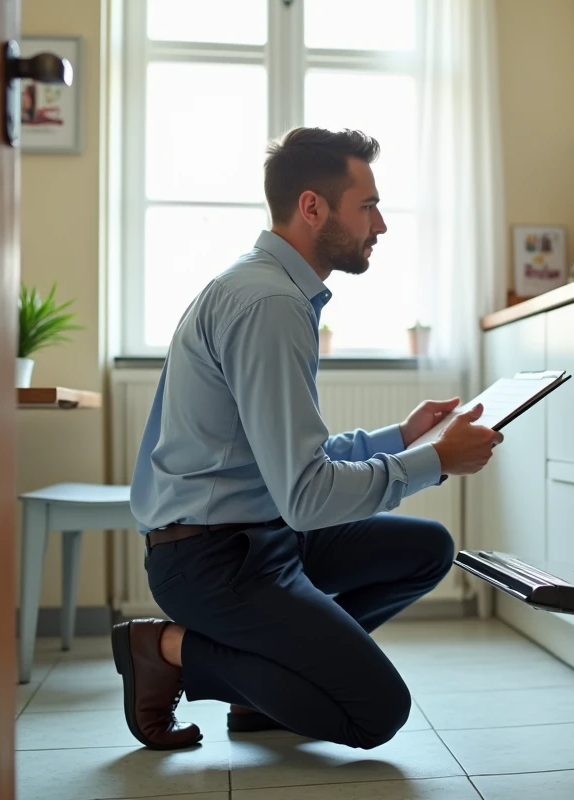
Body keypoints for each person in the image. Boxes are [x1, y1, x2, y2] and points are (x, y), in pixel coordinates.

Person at [112, 127, 504, 751]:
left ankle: (257, 688)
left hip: (260, 534)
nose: (381, 225)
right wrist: (432, 461)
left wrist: (401, 435)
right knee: (374, 713)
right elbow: (308, 496)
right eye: (368, 205)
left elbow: (294, 461)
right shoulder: (269, 305)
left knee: (427, 549)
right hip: (212, 561)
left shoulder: (272, 289)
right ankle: (167, 648)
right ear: (312, 207)